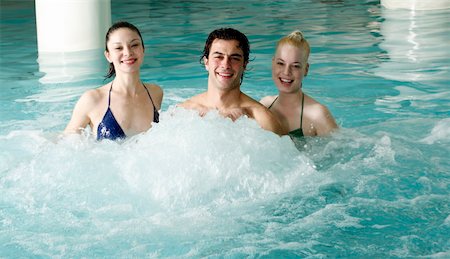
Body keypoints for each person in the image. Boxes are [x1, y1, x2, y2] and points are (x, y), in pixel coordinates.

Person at [64, 21, 163, 140]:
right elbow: (65, 142)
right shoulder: (93, 99)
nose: (128, 53)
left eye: (134, 45)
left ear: (143, 49)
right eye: (118, 48)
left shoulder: (155, 93)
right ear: (108, 56)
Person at [179, 28, 284, 135]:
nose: (226, 65)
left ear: (244, 64)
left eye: (234, 58)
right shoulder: (184, 112)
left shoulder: (262, 120)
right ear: (206, 62)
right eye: (219, 56)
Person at [260, 30, 337, 139]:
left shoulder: (318, 115)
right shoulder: (265, 105)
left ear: (305, 70)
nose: (286, 72)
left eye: (295, 66)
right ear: (273, 64)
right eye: (281, 63)